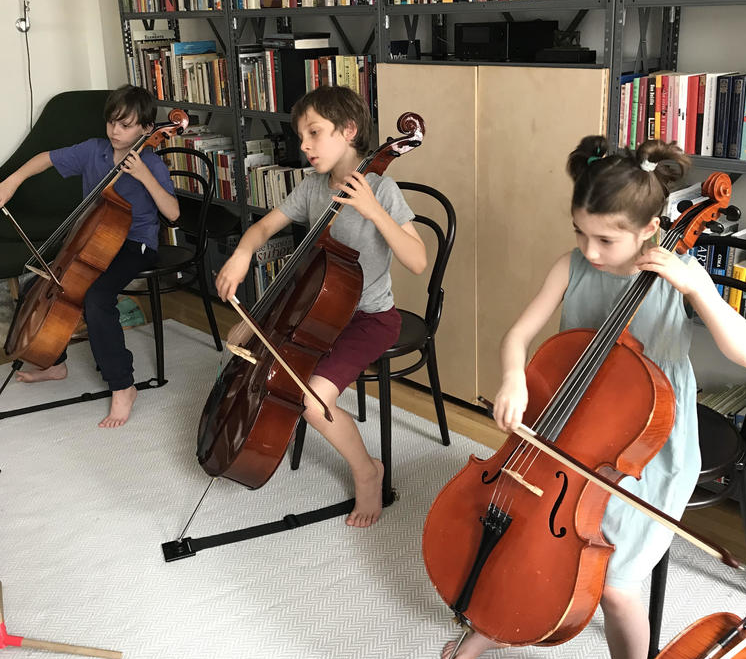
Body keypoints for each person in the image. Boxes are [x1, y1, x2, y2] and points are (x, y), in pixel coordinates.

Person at [442, 134, 746, 659]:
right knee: (523, 527)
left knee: (614, 586)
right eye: (580, 233)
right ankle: (497, 622)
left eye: (606, 240)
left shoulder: (676, 274)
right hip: (569, 428)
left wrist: (699, 289)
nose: (590, 251)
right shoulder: (572, 266)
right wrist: (514, 377)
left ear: (650, 229)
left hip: (649, 450)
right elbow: (517, 336)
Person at [215, 84, 427, 528]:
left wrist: (373, 210)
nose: (305, 146)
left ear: (348, 131)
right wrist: (242, 254)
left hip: (370, 319)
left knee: (312, 401)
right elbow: (263, 228)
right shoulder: (312, 188)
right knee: (243, 344)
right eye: (301, 137)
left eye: (314, 133)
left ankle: (367, 471)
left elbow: (417, 260)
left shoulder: (382, 188)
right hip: (315, 314)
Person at [0, 85, 179, 428]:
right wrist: (12, 181)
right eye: (112, 122)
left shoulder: (151, 163)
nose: (115, 131)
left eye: (125, 125)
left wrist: (144, 176)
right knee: (41, 283)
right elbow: (45, 158)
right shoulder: (94, 150)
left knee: (97, 297)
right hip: (91, 240)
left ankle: (123, 386)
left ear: (146, 129)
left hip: (135, 244)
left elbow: (172, 213)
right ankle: (54, 363)